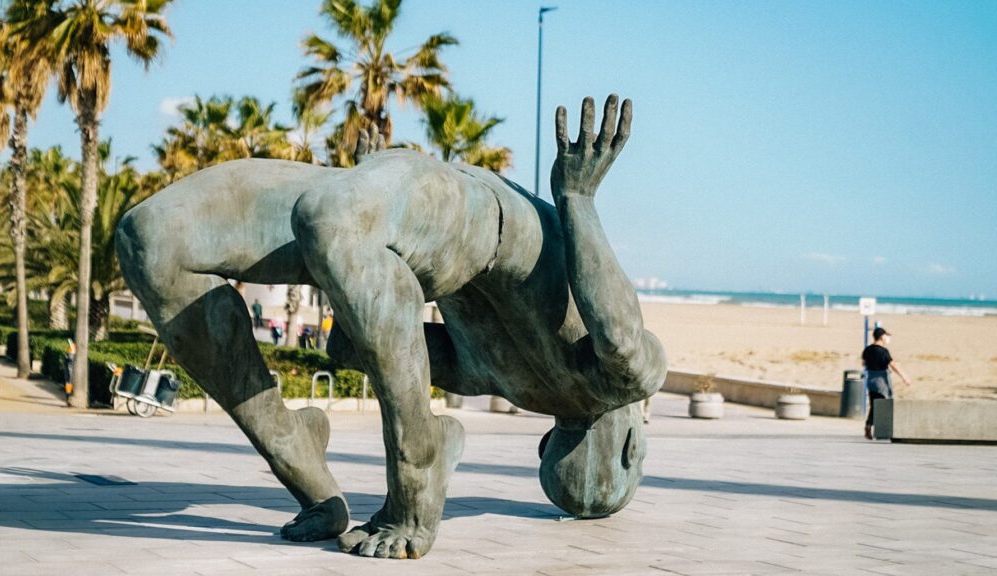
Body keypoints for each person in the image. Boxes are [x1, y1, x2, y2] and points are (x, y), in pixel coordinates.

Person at [116, 95, 665, 559]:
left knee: (153, 240)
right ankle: (404, 462)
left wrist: (576, 199)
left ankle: (318, 461)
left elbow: (352, 347)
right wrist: (577, 200)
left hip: (420, 222)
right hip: (478, 216)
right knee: (307, 221)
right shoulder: (618, 382)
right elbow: (617, 333)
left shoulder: (498, 379)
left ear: (630, 450)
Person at [862, 326, 912, 439]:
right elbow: (892, 365)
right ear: (881, 337)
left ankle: (869, 426)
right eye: (885, 335)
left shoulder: (867, 349)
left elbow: (864, 363)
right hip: (881, 381)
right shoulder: (883, 351)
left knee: (874, 404)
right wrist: (904, 377)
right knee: (884, 405)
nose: (887, 338)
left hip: (870, 380)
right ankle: (882, 429)